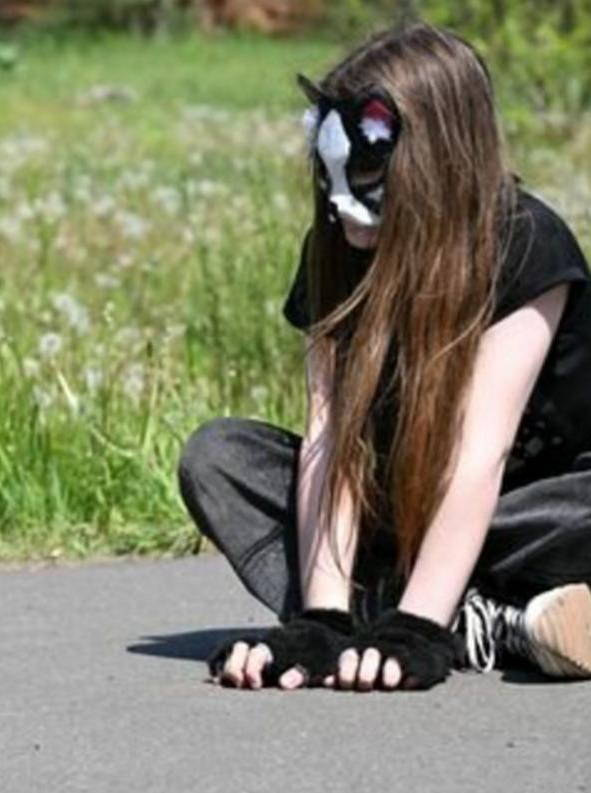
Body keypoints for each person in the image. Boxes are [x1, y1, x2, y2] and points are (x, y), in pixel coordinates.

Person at [177, 23, 591, 691]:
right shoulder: (337, 248)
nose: (341, 204)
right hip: (398, 514)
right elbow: (328, 441)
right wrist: (321, 620)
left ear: (438, 161)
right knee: (218, 457)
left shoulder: (524, 244)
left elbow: (477, 455)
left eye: (367, 174)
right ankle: (492, 622)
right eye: (329, 175)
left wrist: (416, 629)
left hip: (524, 513)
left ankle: (438, 615)